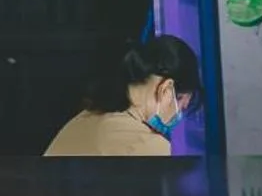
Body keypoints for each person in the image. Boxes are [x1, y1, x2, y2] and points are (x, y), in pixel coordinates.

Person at [45, 35, 202, 156]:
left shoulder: (86, 117)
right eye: (180, 104)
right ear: (166, 89)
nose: (176, 117)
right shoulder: (146, 145)